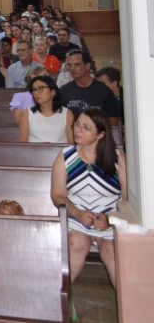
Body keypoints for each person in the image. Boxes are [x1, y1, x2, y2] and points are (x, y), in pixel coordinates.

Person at [51, 108, 125, 290]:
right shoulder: (65, 156)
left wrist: (110, 220)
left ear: (100, 135)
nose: (78, 130)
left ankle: (129, 304)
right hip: (77, 218)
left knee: (111, 251)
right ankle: (59, 299)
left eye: (86, 127)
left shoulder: (117, 157)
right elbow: (58, 195)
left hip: (110, 220)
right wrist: (78, 213)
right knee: (74, 244)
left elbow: (127, 198)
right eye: (77, 124)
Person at [60, 50, 121, 124]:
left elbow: (113, 120)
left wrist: (91, 125)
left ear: (87, 66)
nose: (72, 68)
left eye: (77, 65)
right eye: (70, 65)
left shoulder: (104, 90)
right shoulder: (64, 91)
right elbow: (60, 119)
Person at [19, 75, 74, 143]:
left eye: (40, 88)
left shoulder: (67, 114)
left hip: (60, 150)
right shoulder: (27, 113)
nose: (36, 92)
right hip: (33, 150)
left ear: (53, 92)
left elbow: (71, 143)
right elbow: (22, 144)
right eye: (34, 89)